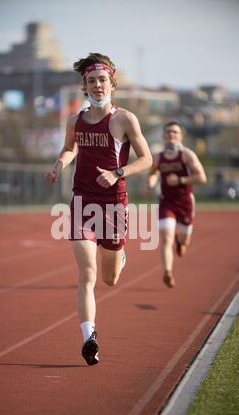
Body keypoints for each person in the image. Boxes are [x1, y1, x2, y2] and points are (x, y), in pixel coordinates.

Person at [46, 53, 152, 366]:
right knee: (87, 273)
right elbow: (69, 148)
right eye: (91, 81)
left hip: (114, 205)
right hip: (82, 201)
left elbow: (147, 160)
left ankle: (119, 255)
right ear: (85, 86)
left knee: (110, 279)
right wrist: (59, 164)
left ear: (111, 83)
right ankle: (89, 337)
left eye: (101, 80)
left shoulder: (125, 120)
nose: (96, 85)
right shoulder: (74, 121)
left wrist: (118, 173)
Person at [147, 121, 207, 288]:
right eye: (168, 132)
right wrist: (150, 183)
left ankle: (181, 242)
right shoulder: (158, 157)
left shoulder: (187, 155)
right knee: (166, 238)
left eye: (174, 132)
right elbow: (152, 174)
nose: (171, 135)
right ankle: (167, 272)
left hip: (185, 202)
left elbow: (202, 178)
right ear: (164, 136)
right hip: (166, 201)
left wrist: (181, 179)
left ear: (180, 136)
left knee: (183, 239)